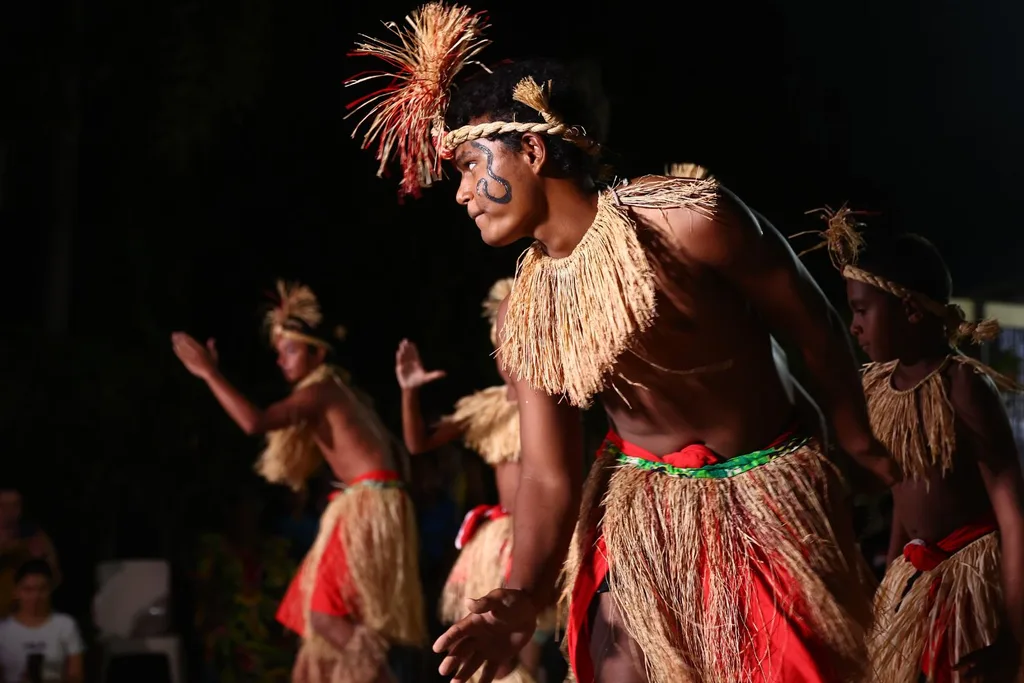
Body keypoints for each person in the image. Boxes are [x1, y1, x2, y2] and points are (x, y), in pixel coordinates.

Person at [346, 7, 897, 682]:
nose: (460, 193)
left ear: (533, 150)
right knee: (618, 665)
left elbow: (811, 323)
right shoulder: (526, 315)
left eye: (467, 165)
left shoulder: (689, 219)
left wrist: (857, 436)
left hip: (764, 489)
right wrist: (519, 599)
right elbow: (551, 474)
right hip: (641, 508)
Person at [801, 208, 1024, 682]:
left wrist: (1015, 629)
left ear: (910, 309)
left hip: (972, 578)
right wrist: (893, 586)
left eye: (862, 310)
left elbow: (1011, 507)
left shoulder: (961, 384)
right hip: (917, 575)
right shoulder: (879, 387)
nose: (854, 325)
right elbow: (903, 488)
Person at [172, 280, 426, 683]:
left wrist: (209, 372)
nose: (281, 361)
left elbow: (254, 422)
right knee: (319, 630)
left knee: (324, 618)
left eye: (290, 350)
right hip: (371, 502)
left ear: (317, 352)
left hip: (366, 505)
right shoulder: (347, 395)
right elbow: (395, 455)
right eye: (279, 353)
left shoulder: (321, 390)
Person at [395, 278, 548, 682]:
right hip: (496, 538)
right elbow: (419, 442)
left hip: (538, 533)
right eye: (500, 338)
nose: (506, 349)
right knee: (492, 647)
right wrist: (410, 393)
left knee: (528, 649)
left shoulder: (555, 397)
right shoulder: (488, 407)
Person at [194, 485, 296, 683]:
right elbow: (202, 591)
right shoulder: (214, 551)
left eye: (252, 507)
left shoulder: (276, 551)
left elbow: (292, 592)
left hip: (271, 631)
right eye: (241, 507)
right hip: (231, 631)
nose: (247, 514)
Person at [0, 560, 83, 683]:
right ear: (17, 592)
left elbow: (76, 675)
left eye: (42, 589)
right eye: (28, 590)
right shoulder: (3, 630)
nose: (35, 596)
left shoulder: (65, 625)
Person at [0, 485, 60, 618]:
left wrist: (41, 562)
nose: (8, 512)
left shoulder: (33, 536)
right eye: (2, 506)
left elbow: (55, 577)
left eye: (14, 505)